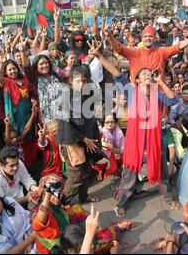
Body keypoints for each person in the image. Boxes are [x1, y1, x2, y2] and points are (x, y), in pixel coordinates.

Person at [90, 41, 178, 216]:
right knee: (129, 174)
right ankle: (123, 202)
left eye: (148, 73)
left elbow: (173, 99)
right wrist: (100, 56)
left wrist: (160, 82)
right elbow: (115, 73)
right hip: (134, 143)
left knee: (162, 172)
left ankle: (168, 198)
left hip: (155, 142)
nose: (147, 74)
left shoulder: (158, 94)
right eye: (143, 73)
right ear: (137, 80)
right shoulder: (130, 91)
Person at [31, 173, 134, 254]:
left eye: (58, 192)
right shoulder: (39, 212)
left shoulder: (57, 207)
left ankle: (92, 230)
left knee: (77, 209)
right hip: (60, 247)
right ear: (44, 195)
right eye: (51, 194)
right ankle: (117, 228)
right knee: (105, 238)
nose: (56, 197)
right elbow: (40, 221)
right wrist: (48, 195)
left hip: (67, 234)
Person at [55, 65, 101, 205]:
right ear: (70, 81)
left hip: (87, 139)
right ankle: (62, 204)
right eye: (78, 81)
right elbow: (66, 125)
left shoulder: (88, 94)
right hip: (72, 142)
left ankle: (83, 197)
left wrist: (92, 139)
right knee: (76, 175)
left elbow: (91, 118)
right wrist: (83, 139)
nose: (81, 84)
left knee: (86, 169)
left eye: (84, 81)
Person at [104, 23, 188, 84]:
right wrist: (110, 37)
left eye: (150, 36)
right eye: (145, 36)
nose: (148, 38)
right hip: (139, 93)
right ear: (142, 39)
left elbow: (179, 45)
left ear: (155, 38)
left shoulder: (161, 51)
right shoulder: (134, 52)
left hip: (158, 95)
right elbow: (118, 48)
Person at [0, 59, 38, 166]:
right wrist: (2, 64)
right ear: (6, 72)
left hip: (28, 114)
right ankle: (23, 165)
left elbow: (30, 95)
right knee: (20, 140)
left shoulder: (24, 80)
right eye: (9, 70)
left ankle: (31, 165)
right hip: (16, 117)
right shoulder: (6, 82)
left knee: (31, 139)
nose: (12, 71)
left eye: (14, 68)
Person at [93, 114, 124, 181]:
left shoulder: (120, 133)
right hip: (106, 154)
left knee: (126, 155)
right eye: (107, 122)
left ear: (115, 123)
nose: (110, 124)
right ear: (104, 123)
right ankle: (101, 171)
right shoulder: (102, 131)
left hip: (117, 152)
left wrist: (118, 152)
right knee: (107, 156)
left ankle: (117, 168)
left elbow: (123, 146)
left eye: (112, 122)